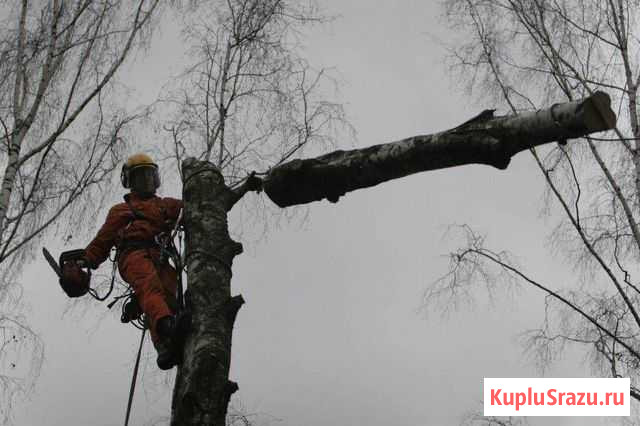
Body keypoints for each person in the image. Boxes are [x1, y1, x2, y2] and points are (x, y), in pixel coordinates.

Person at [83, 153, 183, 370]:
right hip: (133, 255)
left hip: (161, 256)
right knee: (150, 287)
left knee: (170, 292)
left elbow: (192, 207)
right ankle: (166, 327)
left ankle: (167, 345)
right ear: (131, 182)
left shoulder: (164, 205)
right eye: (141, 178)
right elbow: (102, 240)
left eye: (150, 176)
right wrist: (86, 260)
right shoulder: (121, 211)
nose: (147, 182)